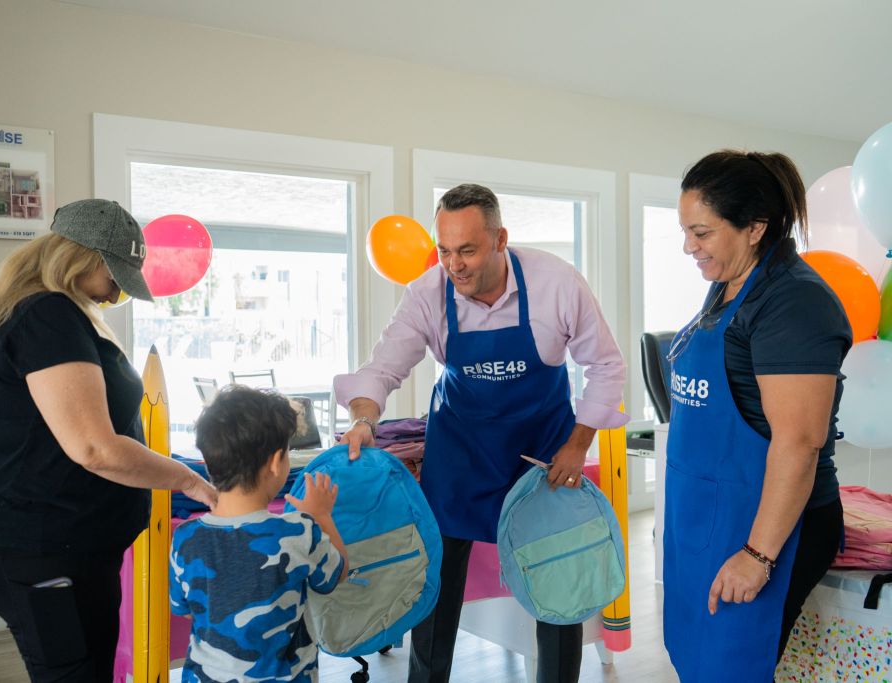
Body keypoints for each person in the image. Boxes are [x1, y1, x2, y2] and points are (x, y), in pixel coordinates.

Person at [335, 183, 627, 683]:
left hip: (543, 455)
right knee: (437, 584)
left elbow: (604, 365)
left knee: (555, 580)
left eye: (467, 250)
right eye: (445, 250)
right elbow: (382, 369)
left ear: (499, 240)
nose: (454, 264)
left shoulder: (556, 283)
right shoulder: (427, 293)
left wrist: (578, 446)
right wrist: (364, 417)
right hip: (461, 453)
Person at [0, 199, 217, 682]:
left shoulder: (53, 316)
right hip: (39, 547)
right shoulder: (46, 317)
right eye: (115, 276)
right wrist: (187, 480)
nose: (116, 292)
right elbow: (94, 448)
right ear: (84, 258)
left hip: (73, 546)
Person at [663, 151, 852, 681]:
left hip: (767, 526)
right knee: (699, 659)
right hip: (707, 518)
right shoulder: (727, 286)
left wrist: (758, 556)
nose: (688, 247)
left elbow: (799, 441)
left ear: (754, 228)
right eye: (685, 231)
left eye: (700, 232)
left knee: (731, 667)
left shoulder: (794, 303)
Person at [169, 385, 348, 682]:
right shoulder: (296, 531)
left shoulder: (186, 538)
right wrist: (321, 515)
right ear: (277, 462)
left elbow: (184, 609)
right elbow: (336, 574)